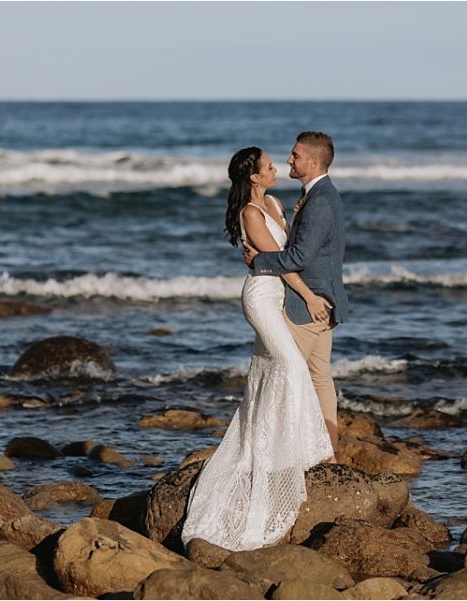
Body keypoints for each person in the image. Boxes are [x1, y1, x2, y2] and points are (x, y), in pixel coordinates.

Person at [180, 146, 334, 552]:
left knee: (275, 373)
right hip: (262, 298)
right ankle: (292, 452)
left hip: (279, 297)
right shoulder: (251, 213)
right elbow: (278, 263)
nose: (277, 168)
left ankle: (282, 445)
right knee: (290, 367)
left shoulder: (275, 202)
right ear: (253, 177)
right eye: (269, 167)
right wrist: (311, 297)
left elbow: (288, 251)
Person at [244, 131, 347, 457]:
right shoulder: (321, 195)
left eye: (295, 155)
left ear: (313, 162)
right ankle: (328, 452)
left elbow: (298, 258)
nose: (289, 160)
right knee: (319, 377)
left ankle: (282, 454)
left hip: (309, 305)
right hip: (322, 302)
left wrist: (260, 260)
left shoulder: (319, 202)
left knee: (286, 379)